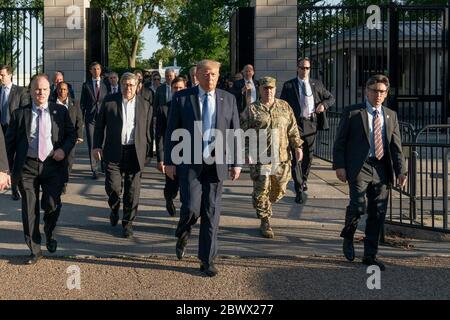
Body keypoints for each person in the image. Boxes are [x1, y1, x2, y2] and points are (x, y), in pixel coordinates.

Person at [164, 59, 241, 277]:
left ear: (218, 75)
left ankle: (207, 260)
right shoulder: (182, 98)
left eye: (214, 74)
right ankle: (183, 231)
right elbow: (171, 131)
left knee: (211, 212)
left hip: (217, 164)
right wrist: (169, 160)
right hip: (189, 162)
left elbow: (235, 131)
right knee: (191, 208)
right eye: (206, 74)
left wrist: (237, 162)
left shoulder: (229, 99)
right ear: (196, 75)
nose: (210, 78)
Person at [333, 74, 407, 271]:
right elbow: (340, 141)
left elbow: (396, 146)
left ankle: (369, 254)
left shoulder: (391, 115)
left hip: (381, 168)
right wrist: (339, 166)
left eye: (382, 91)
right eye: (374, 90)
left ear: (386, 93)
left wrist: (401, 171)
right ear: (366, 91)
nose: (378, 95)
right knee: (358, 205)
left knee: (378, 212)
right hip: (360, 166)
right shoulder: (353, 113)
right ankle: (348, 235)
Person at [5, 74, 76, 265]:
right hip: (27, 166)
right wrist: (7, 170)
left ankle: (50, 232)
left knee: (52, 204)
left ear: (49, 90)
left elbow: (72, 134)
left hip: (52, 165)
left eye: (44, 89)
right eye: (37, 89)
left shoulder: (59, 111)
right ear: (31, 91)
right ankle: (34, 249)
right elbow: (9, 144)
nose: (41, 93)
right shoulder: (20, 114)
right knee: (29, 209)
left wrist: (63, 149)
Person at [241, 76, 303, 238]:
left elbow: (293, 128)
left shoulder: (284, 106)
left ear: (275, 89)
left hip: (282, 156)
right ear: (260, 90)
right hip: (260, 158)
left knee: (278, 190)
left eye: (271, 88)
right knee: (262, 190)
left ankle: (264, 203)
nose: (268, 91)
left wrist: (297, 146)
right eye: (265, 88)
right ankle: (265, 219)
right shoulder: (251, 110)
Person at [92, 72, 153, 238]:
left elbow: (148, 131)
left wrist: (149, 151)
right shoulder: (110, 101)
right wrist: (97, 146)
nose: (128, 88)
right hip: (113, 152)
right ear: (120, 85)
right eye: (125, 84)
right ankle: (114, 207)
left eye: (131, 85)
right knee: (113, 187)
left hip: (135, 152)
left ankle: (128, 223)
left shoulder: (145, 104)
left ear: (137, 86)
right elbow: (99, 126)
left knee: (133, 191)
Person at [280, 57, 335, 204]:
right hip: (295, 125)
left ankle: (303, 180)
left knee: (309, 155)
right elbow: (283, 106)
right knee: (296, 156)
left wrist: (323, 105)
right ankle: (299, 188)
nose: (305, 70)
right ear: (297, 68)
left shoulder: (316, 84)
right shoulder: (289, 86)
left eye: (307, 68)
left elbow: (331, 98)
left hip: (311, 123)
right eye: (302, 67)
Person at [155, 76, 187, 217]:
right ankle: (169, 199)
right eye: (175, 88)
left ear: (185, 89)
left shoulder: (192, 107)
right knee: (172, 186)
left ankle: (187, 211)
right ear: (171, 89)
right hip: (171, 154)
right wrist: (161, 158)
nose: (178, 90)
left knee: (188, 187)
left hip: (189, 153)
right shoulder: (164, 109)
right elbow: (160, 135)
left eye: (180, 88)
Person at [0, 64, 29, 200]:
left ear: (10, 75)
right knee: (5, 161)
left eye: (2, 75)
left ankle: (15, 188)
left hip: (15, 132)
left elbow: (25, 112)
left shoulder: (20, 91)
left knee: (17, 162)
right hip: (1, 131)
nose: (0, 78)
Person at [80, 61, 108, 179]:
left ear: (100, 70)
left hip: (103, 117)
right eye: (94, 69)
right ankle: (94, 169)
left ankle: (103, 165)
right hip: (90, 118)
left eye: (98, 69)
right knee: (92, 143)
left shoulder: (106, 84)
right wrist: (81, 119)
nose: (96, 71)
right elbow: (82, 103)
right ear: (90, 71)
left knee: (103, 142)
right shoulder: (86, 85)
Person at [55, 82, 84, 194]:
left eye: (64, 89)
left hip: (71, 137)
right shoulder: (52, 103)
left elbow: (79, 119)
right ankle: (57, 181)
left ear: (68, 91)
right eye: (60, 89)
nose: (62, 91)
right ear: (57, 90)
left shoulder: (74, 103)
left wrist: (79, 135)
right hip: (56, 137)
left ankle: (64, 182)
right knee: (57, 160)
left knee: (69, 160)